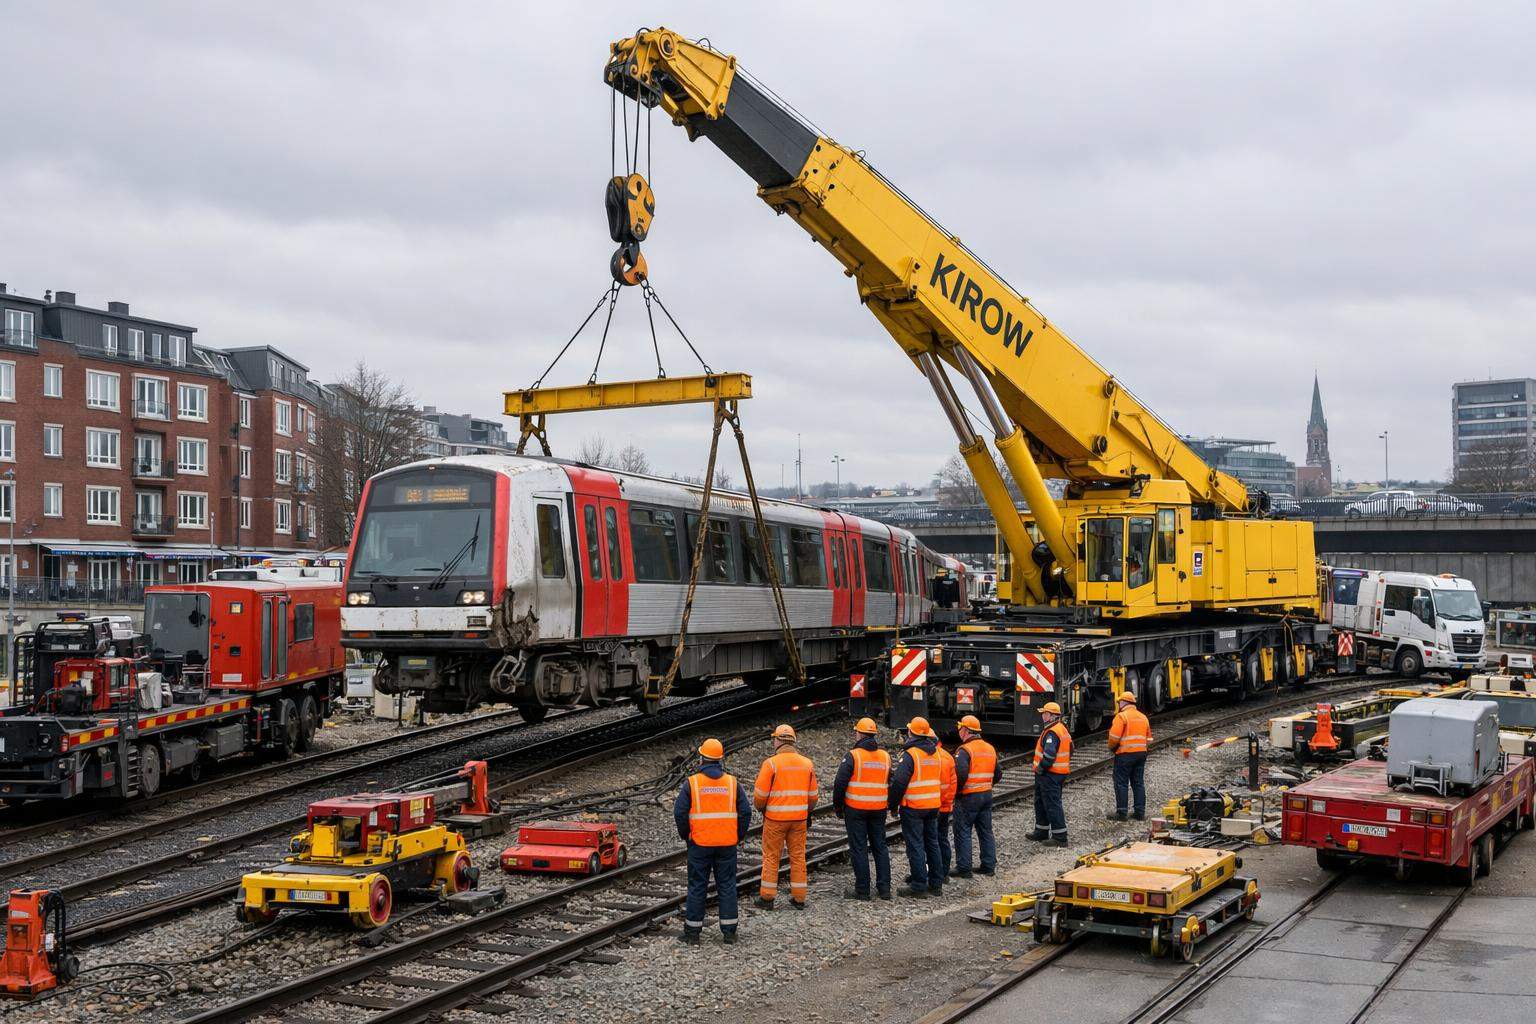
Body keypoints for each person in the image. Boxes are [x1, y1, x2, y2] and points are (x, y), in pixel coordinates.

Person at [674, 738, 752, 945]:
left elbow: (680, 813)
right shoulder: (732, 783)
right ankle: (729, 933)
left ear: (702, 758)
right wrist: (738, 835)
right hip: (727, 844)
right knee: (727, 885)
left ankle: (692, 934)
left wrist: (686, 835)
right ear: (720, 759)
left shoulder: (692, 783)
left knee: (697, 885)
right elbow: (745, 812)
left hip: (700, 844)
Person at [753, 723, 818, 910]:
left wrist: (761, 808)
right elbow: (813, 797)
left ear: (779, 741)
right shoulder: (807, 764)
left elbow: (759, 796)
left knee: (771, 857)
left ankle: (767, 898)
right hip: (798, 820)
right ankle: (799, 898)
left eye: (774, 739)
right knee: (798, 856)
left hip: (775, 820)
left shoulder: (771, 764)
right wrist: (807, 812)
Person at [832, 717, 892, 901]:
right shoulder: (885, 756)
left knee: (859, 848)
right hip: (879, 809)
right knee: (880, 846)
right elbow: (891, 779)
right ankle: (884, 890)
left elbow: (840, 783)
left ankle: (863, 890)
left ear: (859, 733)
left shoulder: (853, 755)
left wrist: (838, 807)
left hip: (856, 809)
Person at [888, 717, 944, 897]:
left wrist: (892, 805)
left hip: (914, 806)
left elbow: (899, 782)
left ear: (912, 733)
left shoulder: (911, 755)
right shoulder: (935, 752)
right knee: (932, 843)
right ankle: (936, 884)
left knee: (916, 845)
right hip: (933, 805)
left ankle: (919, 885)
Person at [952, 715, 1001, 877]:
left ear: (965, 730)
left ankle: (964, 869)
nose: (959, 731)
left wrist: (956, 792)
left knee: (963, 830)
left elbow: (960, 774)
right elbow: (998, 774)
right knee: (986, 831)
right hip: (986, 795)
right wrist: (986, 785)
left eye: (960, 728)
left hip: (968, 797)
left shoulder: (965, 750)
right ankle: (988, 866)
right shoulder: (990, 748)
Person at [1029, 701, 1072, 847]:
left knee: (1052, 804)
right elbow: (1071, 748)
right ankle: (1041, 831)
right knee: (1041, 802)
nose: (1042, 715)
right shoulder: (1061, 729)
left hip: (1050, 774)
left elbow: (1049, 756)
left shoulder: (1052, 732)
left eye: (1045, 713)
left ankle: (1060, 837)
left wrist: (1041, 768)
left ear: (1052, 716)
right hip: (1055, 774)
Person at [1106, 690, 1151, 821]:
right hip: (1141, 754)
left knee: (1121, 783)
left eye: (1119, 702)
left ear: (1124, 702)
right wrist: (1142, 749)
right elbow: (1148, 739)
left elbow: (1114, 737)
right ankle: (1140, 812)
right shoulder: (1143, 717)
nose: (1119, 704)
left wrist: (1111, 748)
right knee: (1138, 783)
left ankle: (1121, 813)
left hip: (1125, 754)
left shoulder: (1122, 717)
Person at [935, 733, 959, 882]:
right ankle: (944, 873)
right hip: (945, 806)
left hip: (932, 807)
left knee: (930, 842)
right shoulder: (948, 757)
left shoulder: (930, 758)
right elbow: (953, 783)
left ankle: (933, 873)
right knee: (942, 839)